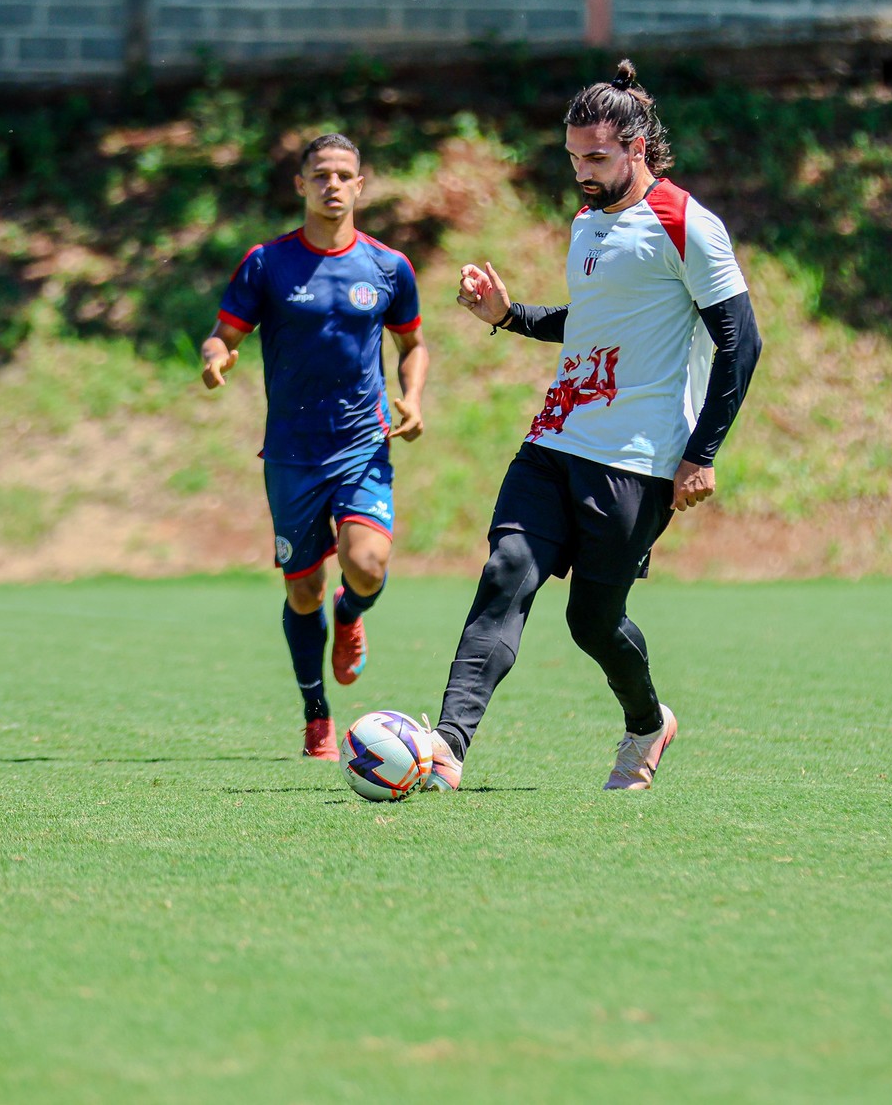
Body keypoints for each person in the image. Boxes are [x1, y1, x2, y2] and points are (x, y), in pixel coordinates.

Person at [420, 60, 762, 792]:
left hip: (638, 461)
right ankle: (446, 746)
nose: (582, 172)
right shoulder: (586, 222)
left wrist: (700, 454)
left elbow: (742, 340)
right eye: (573, 158)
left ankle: (648, 723)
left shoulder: (685, 223)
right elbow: (596, 325)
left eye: (597, 158)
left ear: (637, 147)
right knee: (505, 572)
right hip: (554, 439)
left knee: (592, 622)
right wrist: (509, 317)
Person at [201, 133, 427, 760]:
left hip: (362, 442)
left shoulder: (388, 267)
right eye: (320, 174)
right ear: (300, 185)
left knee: (368, 564)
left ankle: (351, 611)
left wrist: (413, 397)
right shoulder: (267, 263)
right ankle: (316, 714)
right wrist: (216, 359)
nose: (332, 184)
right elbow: (222, 335)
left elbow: (414, 345)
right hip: (291, 454)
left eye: (344, 174)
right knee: (301, 591)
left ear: (361, 186)